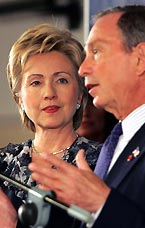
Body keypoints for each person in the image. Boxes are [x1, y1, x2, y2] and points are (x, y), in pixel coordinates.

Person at [29, 5, 145, 228]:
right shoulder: (118, 138)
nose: (83, 69)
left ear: (140, 58)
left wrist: (102, 203)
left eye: (97, 52)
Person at [0, 23, 102, 228]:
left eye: (62, 80)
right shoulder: (3, 165)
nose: (49, 93)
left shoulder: (103, 163)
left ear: (80, 94)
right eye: (36, 82)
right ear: (19, 97)